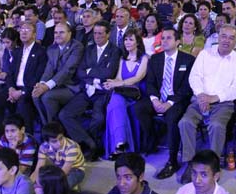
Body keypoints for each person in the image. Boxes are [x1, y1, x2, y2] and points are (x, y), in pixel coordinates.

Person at [178, 24, 236, 184]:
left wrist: (214, 98)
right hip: (199, 99)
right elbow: (194, 77)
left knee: (216, 125)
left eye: (231, 38)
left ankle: (212, 167)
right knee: (185, 122)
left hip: (223, 104)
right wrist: (201, 95)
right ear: (218, 37)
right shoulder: (205, 54)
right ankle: (190, 163)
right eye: (224, 36)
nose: (227, 40)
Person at [134, 28, 195, 179]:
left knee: (172, 118)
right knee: (140, 107)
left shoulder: (188, 60)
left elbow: (187, 87)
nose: (164, 41)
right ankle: (152, 139)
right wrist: (155, 100)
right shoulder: (155, 59)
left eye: (168, 38)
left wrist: (169, 102)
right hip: (158, 97)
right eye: (163, 38)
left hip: (177, 100)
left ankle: (172, 160)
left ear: (177, 42)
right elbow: (150, 83)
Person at [59, 20, 121, 161]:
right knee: (65, 114)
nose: (97, 36)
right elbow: (80, 72)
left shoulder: (114, 51)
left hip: (102, 92)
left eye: (100, 33)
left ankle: (92, 150)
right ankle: (89, 144)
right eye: (95, 33)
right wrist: (94, 76)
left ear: (108, 34)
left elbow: (109, 73)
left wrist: (90, 72)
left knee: (98, 118)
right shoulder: (89, 49)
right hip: (86, 90)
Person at [0, 22, 47, 136]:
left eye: (27, 30)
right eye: (22, 29)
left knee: (23, 104)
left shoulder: (41, 52)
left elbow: (38, 76)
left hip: (29, 90)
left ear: (34, 34)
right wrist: (11, 89)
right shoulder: (17, 51)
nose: (23, 32)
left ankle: (27, 140)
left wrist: (22, 92)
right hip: (14, 88)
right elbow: (10, 75)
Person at [103, 28, 148, 159]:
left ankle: (119, 144)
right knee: (115, 101)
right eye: (126, 40)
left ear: (138, 42)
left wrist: (119, 84)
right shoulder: (122, 59)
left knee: (114, 102)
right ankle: (120, 143)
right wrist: (112, 82)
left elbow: (138, 78)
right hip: (123, 93)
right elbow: (118, 78)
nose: (127, 42)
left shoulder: (144, 58)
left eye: (131, 40)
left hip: (137, 94)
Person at [33, 23, 84, 124]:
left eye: (61, 32)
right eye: (55, 32)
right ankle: (46, 127)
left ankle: (55, 129)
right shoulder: (52, 48)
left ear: (70, 34)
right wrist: (42, 83)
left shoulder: (77, 47)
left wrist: (47, 86)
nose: (57, 35)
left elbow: (67, 70)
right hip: (56, 86)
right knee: (35, 94)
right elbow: (49, 69)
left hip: (71, 87)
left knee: (47, 96)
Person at [31, 122, 85, 189]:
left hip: (75, 170)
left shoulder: (72, 147)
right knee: (38, 184)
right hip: (58, 168)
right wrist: (30, 184)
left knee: (60, 188)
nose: (59, 143)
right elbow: (38, 169)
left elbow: (64, 172)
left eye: (61, 138)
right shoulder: (43, 147)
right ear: (47, 141)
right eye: (54, 141)